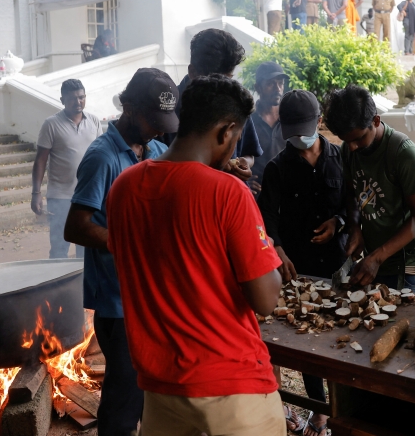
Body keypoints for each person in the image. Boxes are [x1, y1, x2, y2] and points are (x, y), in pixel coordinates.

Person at [106, 75, 285, 436]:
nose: (233, 151)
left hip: (161, 390)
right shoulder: (229, 193)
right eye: (235, 141)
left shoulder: (124, 188)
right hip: (233, 388)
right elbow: (266, 300)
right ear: (225, 131)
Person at [64, 69, 179, 436]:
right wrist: (126, 242)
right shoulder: (102, 157)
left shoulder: (159, 150)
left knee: (153, 388)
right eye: (153, 121)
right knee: (123, 396)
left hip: (155, 295)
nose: (160, 130)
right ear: (128, 108)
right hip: (119, 302)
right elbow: (75, 226)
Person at [258, 90, 345, 436]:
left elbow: (354, 207)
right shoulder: (278, 168)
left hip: (338, 266)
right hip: (298, 267)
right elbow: (266, 219)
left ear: (318, 123)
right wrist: (277, 247)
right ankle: (319, 410)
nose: (299, 140)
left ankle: (341, 410)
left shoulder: (340, 158)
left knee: (340, 339)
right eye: (291, 133)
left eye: (304, 132)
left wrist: (338, 223)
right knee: (308, 342)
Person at [323, 85, 415, 294]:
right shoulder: (348, 150)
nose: (352, 147)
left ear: (375, 121)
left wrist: (377, 256)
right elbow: (352, 193)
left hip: (411, 269)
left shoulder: (404, 154)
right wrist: (356, 227)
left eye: (358, 139)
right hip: (375, 263)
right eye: (346, 141)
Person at [163, 29, 262, 182]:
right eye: (214, 79)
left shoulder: (235, 101)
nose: (222, 88)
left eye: (227, 79)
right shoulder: (169, 108)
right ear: (192, 72)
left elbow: (249, 153)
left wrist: (242, 165)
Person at [32, 79, 103, 258]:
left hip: (89, 196)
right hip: (61, 196)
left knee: (85, 247)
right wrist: (36, 193)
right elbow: (40, 160)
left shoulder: (94, 121)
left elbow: (102, 156)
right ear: (62, 100)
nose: (78, 102)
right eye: (72, 99)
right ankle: (56, 284)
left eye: (81, 97)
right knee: (59, 247)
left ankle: (81, 285)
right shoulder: (51, 124)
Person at [248, 62, 288, 198]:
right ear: (258, 87)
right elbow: (236, 159)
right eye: (271, 84)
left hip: (287, 194)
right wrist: (244, 180)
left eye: (280, 83)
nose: (278, 88)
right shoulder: (248, 121)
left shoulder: (290, 119)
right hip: (258, 196)